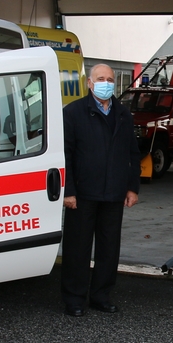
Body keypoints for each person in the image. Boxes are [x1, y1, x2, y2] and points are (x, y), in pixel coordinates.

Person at [61, 64, 141, 317]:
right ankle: (74, 299)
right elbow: (66, 155)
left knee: (109, 248)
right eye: (100, 79)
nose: (105, 83)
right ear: (89, 83)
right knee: (77, 249)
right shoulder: (73, 113)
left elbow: (132, 153)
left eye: (109, 79)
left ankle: (101, 296)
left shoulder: (123, 114)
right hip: (82, 194)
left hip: (114, 193)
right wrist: (68, 191)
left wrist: (132, 187)